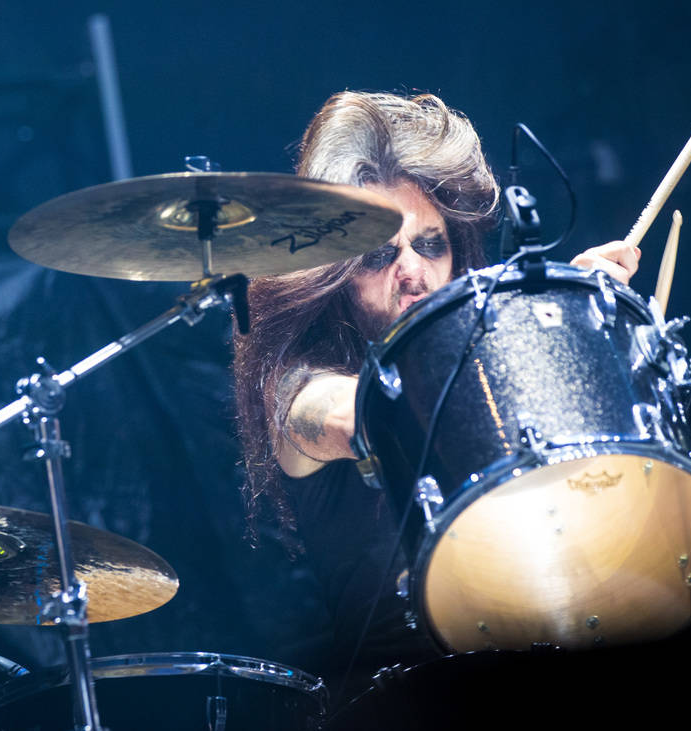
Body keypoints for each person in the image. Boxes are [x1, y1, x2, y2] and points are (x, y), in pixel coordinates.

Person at [232, 91, 640, 701]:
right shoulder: (298, 388)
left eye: (431, 244)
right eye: (379, 254)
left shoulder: (477, 358)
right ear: (332, 273)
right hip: (403, 698)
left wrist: (569, 320)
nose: (413, 271)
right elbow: (371, 411)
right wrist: (530, 329)